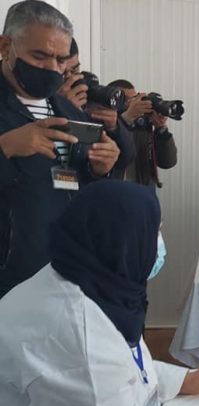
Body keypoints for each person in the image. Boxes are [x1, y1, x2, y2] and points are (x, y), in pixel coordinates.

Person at [0, 180, 199, 406]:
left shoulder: (85, 278)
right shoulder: (80, 339)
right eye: (154, 232)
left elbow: (126, 367)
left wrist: (182, 381)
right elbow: (102, 377)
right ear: (123, 242)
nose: (159, 244)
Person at [0, 0, 122, 298]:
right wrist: (5, 147)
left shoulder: (70, 111)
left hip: (65, 268)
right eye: (40, 56)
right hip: (9, 275)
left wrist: (99, 169)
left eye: (61, 59)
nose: (53, 68)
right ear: (5, 46)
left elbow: (77, 184)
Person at [57, 37, 135, 169]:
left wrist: (114, 127)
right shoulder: (45, 101)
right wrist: (64, 108)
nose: (71, 79)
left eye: (75, 70)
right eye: (63, 73)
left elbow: (127, 158)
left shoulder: (90, 98)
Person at [110, 78, 178, 188]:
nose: (133, 104)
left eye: (135, 98)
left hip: (143, 192)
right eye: (127, 100)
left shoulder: (142, 125)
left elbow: (168, 162)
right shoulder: (106, 125)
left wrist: (161, 129)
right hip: (115, 191)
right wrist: (126, 119)